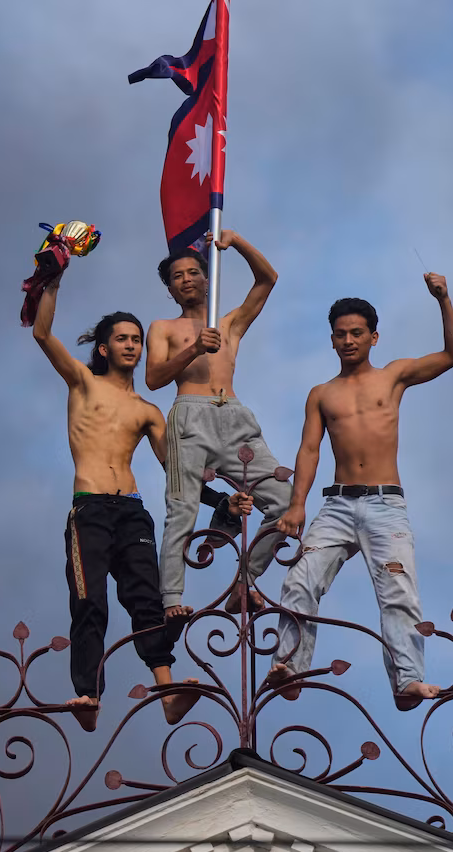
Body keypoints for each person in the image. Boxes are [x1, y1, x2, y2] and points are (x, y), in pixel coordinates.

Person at [31, 260, 250, 731]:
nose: (132, 345)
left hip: (131, 511)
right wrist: (53, 281)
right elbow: (43, 335)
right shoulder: (83, 383)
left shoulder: (149, 411)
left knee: (147, 601)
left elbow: (178, 471)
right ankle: (88, 696)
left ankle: (168, 695)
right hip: (90, 509)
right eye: (122, 339)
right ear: (104, 348)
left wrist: (220, 502)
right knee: (90, 601)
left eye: (136, 339)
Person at [264, 273, 453, 710]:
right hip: (336, 505)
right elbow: (309, 449)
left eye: (357, 333)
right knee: (299, 579)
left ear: (374, 337)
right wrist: (297, 505)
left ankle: (408, 680)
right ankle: (290, 668)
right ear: (331, 340)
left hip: (384, 504)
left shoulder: (393, 376)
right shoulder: (322, 394)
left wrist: (443, 299)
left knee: (398, 590)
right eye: (341, 334)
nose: (348, 341)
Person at [146, 230, 291, 615]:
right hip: (190, 415)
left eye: (193, 272)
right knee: (182, 509)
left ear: (208, 279)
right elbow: (153, 378)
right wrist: (194, 348)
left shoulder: (229, 325)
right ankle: (171, 600)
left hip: (233, 415)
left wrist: (236, 241)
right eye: (177, 277)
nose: (186, 280)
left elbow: (268, 279)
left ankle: (245, 581)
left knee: (284, 501)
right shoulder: (163, 328)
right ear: (170, 290)